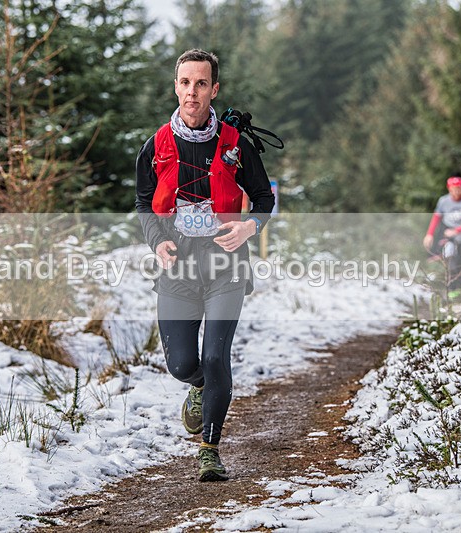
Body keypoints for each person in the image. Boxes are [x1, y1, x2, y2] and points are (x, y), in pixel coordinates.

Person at [135, 49, 275, 482]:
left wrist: (249, 228)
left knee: (216, 357)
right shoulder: (156, 145)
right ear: (175, 86)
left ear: (214, 90)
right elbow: (144, 203)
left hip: (226, 267)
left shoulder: (237, 146)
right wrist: (157, 243)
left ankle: (209, 450)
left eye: (201, 84)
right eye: (184, 83)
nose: (191, 92)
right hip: (177, 268)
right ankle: (198, 386)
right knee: (183, 364)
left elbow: (265, 199)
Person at [423, 175, 461, 297]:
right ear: (449, 189)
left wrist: (457, 230)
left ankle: (460, 288)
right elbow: (436, 218)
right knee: (451, 259)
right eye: (453, 188)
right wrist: (429, 234)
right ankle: (451, 289)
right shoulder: (443, 201)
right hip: (448, 237)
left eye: (458, 188)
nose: (456, 191)